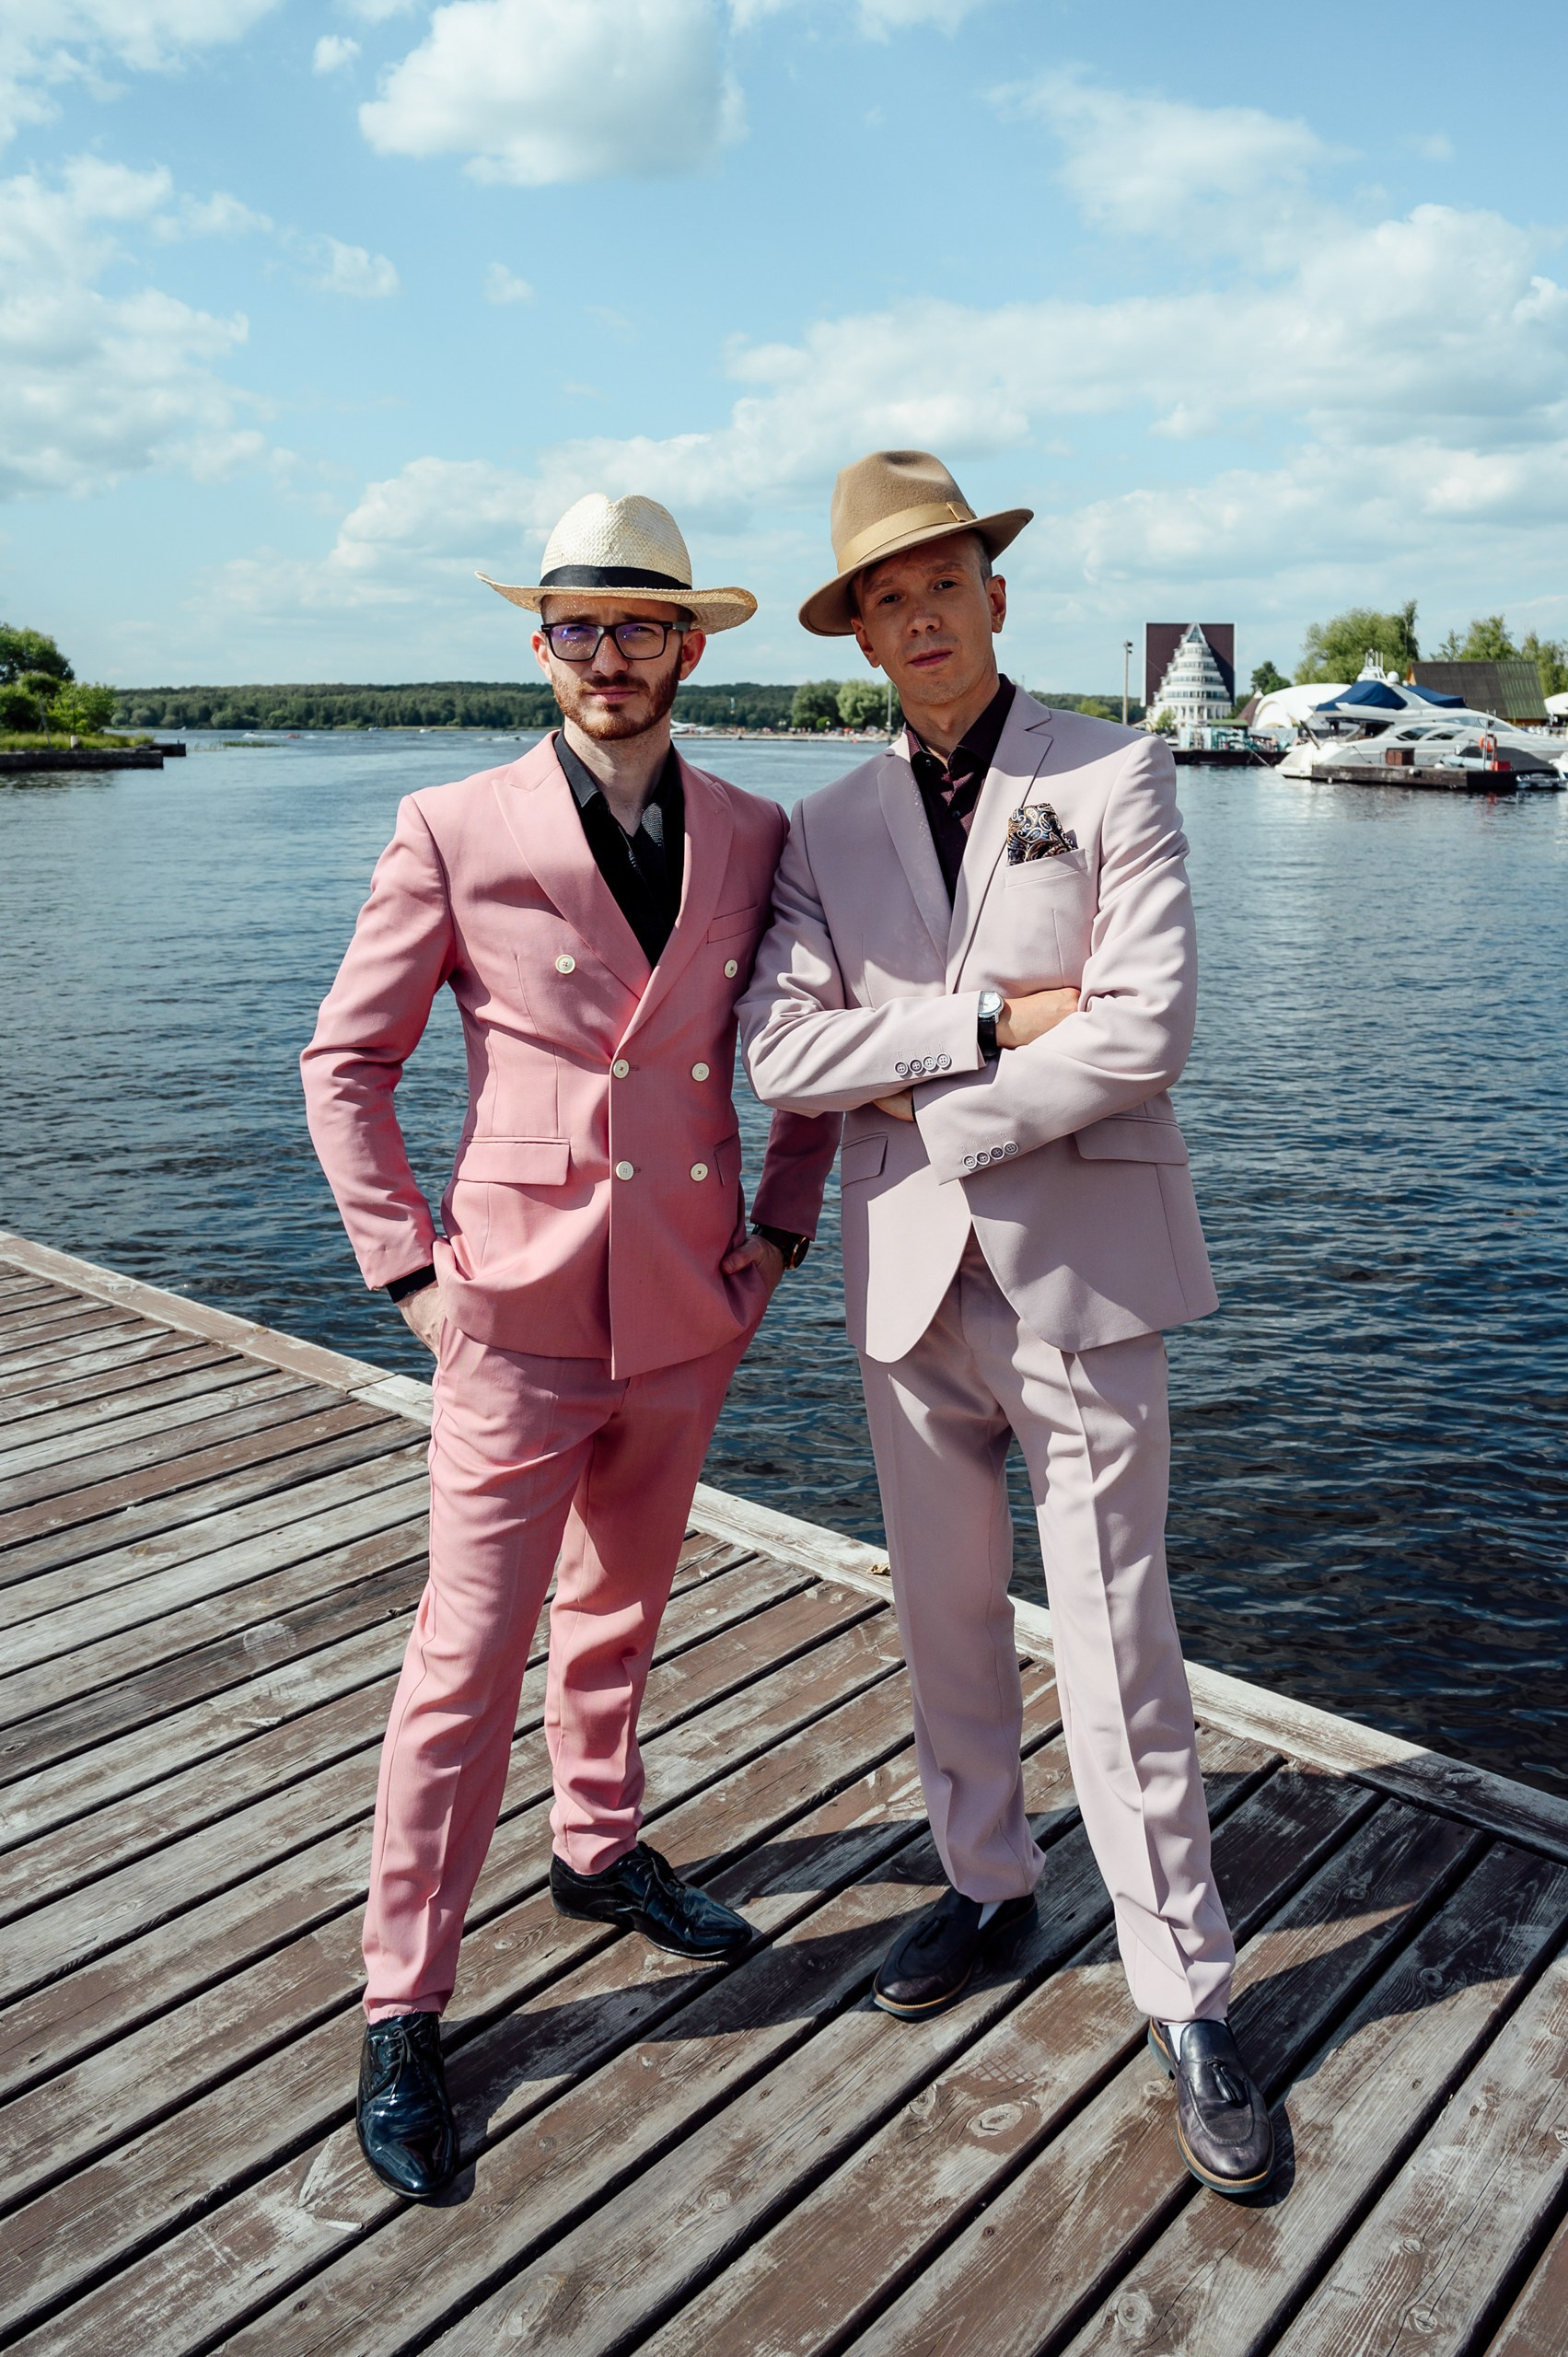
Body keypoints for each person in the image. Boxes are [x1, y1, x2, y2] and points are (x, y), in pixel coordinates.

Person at [738, 448, 1273, 2197]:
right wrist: (981, 1025)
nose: (920, 618)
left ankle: (1186, 1989)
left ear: (994, 593)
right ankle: (986, 1883)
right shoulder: (822, 828)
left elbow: (1147, 1027)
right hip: (907, 1288)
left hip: (1084, 1278)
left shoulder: (1115, 768)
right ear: (861, 633)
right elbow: (780, 1055)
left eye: (942, 585)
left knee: (1118, 1637)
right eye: (886, 599)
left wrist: (927, 1103)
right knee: (946, 1617)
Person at [302, 492, 837, 2201]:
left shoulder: (756, 831)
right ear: (541, 647)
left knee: (620, 1611)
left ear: (691, 647)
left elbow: (810, 1051)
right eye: (580, 627)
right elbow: (346, 1065)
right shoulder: (452, 824)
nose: (611, 655)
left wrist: (782, 1232)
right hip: (513, 1316)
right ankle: (404, 2001)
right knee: (462, 1662)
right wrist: (413, 1278)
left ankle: (596, 1847)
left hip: (687, 1308)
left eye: (642, 627)